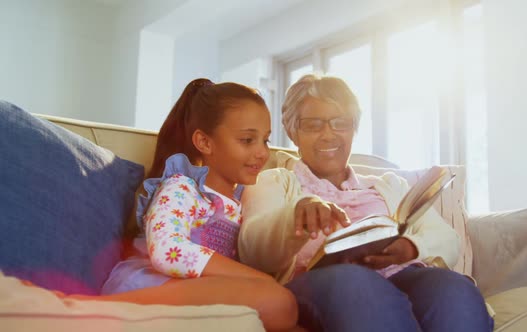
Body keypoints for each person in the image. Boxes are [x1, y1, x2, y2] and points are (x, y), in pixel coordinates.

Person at [238, 74, 494, 332]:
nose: (329, 135)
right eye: (314, 125)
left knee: (453, 287)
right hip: (322, 284)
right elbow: (252, 247)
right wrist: (296, 216)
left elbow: (447, 238)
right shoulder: (274, 181)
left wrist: (410, 247)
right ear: (293, 131)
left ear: (353, 129)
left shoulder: (388, 185)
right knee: (356, 282)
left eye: (340, 123)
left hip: (401, 275)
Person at [94, 78, 298, 332]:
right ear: (205, 143)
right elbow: (167, 249)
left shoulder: (243, 204)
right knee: (278, 301)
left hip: (200, 296)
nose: (262, 153)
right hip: (153, 285)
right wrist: (257, 280)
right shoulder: (182, 187)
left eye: (265, 140)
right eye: (247, 140)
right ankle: (108, 309)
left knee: (283, 309)